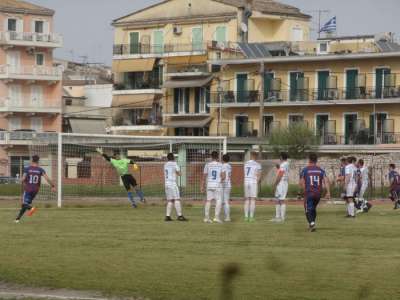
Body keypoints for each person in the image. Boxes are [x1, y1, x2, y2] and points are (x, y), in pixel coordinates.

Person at [15, 155, 55, 223]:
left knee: (24, 204)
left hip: (28, 189)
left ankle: (31, 208)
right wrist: (53, 186)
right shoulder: (40, 169)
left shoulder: (27, 169)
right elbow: (47, 178)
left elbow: (23, 178)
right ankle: (17, 219)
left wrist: (18, 181)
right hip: (35, 190)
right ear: (38, 161)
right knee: (25, 204)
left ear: (32, 160)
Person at [300, 153, 330, 232]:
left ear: (309, 160)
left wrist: (304, 190)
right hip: (318, 193)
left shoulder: (305, 170)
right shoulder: (321, 170)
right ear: (316, 160)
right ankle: (312, 224)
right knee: (313, 208)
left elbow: (302, 182)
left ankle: (312, 223)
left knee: (307, 209)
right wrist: (328, 192)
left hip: (309, 192)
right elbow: (326, 181)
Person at [202, 151, 225, 223]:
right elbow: (224, 176)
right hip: (217, 185)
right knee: (218, 200)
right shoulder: (221, 165)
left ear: (211, 157)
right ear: (218, 157)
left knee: (208, 201)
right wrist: (220, 180)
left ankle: (206, 218)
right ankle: (216, 217)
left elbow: (204, 176)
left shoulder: (207, 165)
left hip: (209, 184)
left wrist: (202, 186)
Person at [164, 153, 187, 222]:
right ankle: (180, 216)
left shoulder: (165, 164)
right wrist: (179, 172)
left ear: (167, 158)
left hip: (167, 183)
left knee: (170, 200)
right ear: (173, 158)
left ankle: (167, 216)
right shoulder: (174, 164)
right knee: (177, 199)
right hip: (172, 183)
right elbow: (179, 173)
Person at [243, 151, 262, 222]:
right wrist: (257, 182)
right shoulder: (258, 164)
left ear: (251, 156)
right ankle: (251, 217)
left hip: (246, 181)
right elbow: (259, 176)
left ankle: (245, 217)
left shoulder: (246, 163)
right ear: (255, 156)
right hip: (253, 182)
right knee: (253, 200)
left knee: (247, 200)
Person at [271, 152, 289, 223]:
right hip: (283, 182)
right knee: (278, 200)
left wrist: (275, 183)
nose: (279, 158)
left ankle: (282, 218)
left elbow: (281, 174)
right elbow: (282, 171)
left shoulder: (283, 164)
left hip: (282, 183)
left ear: (281, 157)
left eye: (279, 157)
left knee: (281, 200)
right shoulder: (286, 164)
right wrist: (279, 167)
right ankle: (277, 217)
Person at [221, 154, 232, 222]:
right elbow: (230, 175)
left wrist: (220, 181)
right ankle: (227, 217)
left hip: (224, 184)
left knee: (223, 202)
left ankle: (227, 217)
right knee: (226, 201)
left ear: (222, 159)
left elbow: (223, 176)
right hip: (229, 184)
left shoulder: (223, 166)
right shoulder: (229, 166)